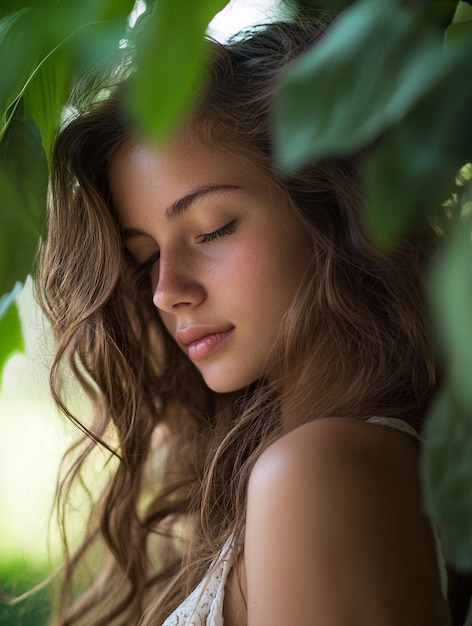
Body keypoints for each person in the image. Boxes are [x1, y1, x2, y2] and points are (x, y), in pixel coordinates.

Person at [35, 16, 458, 626]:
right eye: (146, 257)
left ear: (330, 209)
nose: (165, 291)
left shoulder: (318, 473)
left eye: (212, 229)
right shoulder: (348, 459)